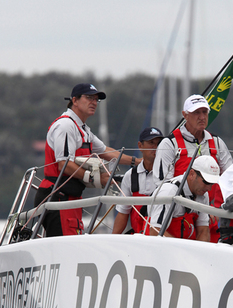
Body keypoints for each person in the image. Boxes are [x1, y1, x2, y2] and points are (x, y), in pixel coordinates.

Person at [34, 83, 140, 237]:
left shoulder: (83, 129)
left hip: (70, 198)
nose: (94, 102)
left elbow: (105, 152)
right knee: (66, 247)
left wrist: (137, 162)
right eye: (89, 98)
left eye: (96, 99)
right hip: (57, 196)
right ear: (74, 100)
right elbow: (63, 164)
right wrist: (95, 178)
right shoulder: (65, 126)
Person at [152, 94, 233, 241]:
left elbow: (231, 180)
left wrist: (215, 207)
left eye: (204, 112)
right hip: (176, 216)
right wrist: (185, 207)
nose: (202, 117)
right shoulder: (169, 144)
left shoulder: (217, 143)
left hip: (209, 215)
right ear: (185, 115)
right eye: (196, 112)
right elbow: (161, 184)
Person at [148, 155, 220, 241]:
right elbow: (155, 232)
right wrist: (182, 252)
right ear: (192, 174)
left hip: (185, 249)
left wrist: (196, 253)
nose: (209, 188)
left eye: (212, 184)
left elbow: (203, 231)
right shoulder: (168, 192)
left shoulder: (203, 195)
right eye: (206, 182)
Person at [112, 127, 163, 234]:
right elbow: (123, 213)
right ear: (140, 146)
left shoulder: (168, 174)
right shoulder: (130, 176)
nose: (155, 147)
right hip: (138, 238)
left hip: (161, 238)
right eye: (151, 142)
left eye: (159, 143)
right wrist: (112, 240)